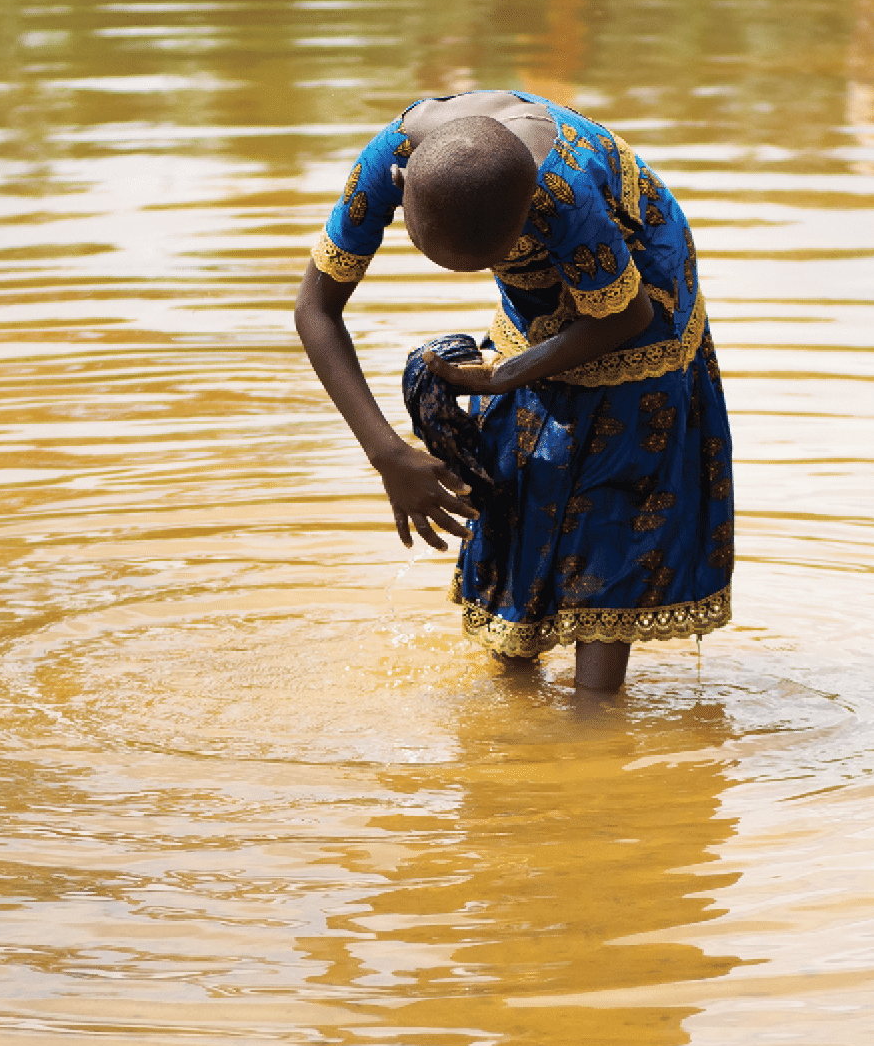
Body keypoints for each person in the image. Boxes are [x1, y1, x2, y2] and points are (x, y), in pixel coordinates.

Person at [293, 90, 734, 691]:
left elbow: (624, 319)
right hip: (539, 300)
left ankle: (596, 716)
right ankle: (515, 679)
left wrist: (505, 373)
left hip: (644, 300)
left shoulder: (564, 195)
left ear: (529, 222)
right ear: (403, 193)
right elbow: (315, 309)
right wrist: (387, 454)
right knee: (517, 475)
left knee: (613, 492)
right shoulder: (386, 165)